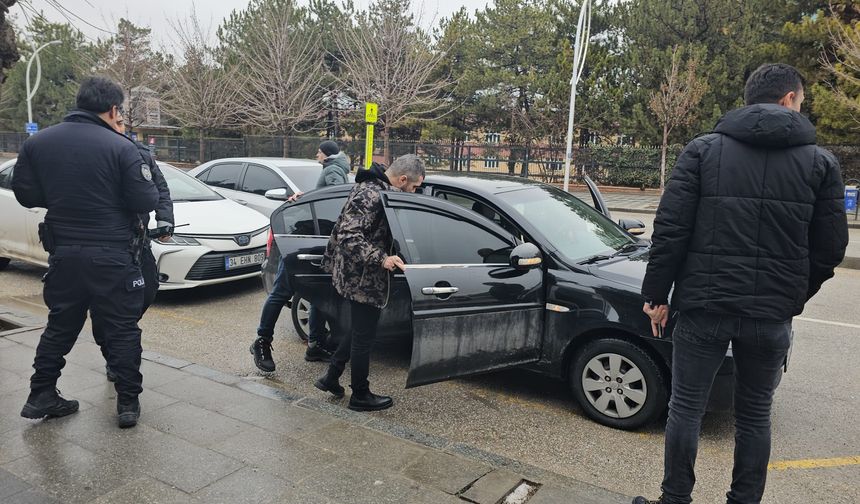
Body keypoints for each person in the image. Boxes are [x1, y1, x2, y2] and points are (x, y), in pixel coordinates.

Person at [634, 63, 848, 504]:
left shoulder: (702, 151)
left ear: (750, 98)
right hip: (770, 317)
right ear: (790, 98)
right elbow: (830, 249)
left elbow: (670, 229)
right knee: (754, 416)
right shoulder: (820, 163)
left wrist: (657, 296)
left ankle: (675, 499)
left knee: (686, 408)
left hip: (703, 309)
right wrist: (792, 293)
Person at [13, 76, 159, 428]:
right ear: (113, 110)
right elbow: (145, 199)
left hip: (64, 254)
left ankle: (41, 393)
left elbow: (27, 195)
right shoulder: (121, 147)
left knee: (60, 326)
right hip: (113, 256)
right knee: (122, 329)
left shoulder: (39, 142)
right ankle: (127, 403)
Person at [314, 154, 425, 412]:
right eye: (415, 186)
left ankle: (331, 377)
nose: (414, 191)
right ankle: (360, 395)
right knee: (364, 337)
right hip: (362, 276)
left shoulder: (379, 189)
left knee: (358, 329)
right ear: (403, 179)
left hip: (363, 274)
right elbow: (348, 235)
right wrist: (381, 259)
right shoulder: (371, 194)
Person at [250, 140, 350, 372]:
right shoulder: (338, 168)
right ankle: (262, 341)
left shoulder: (333, 169)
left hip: (320, 239)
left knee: (315, 295)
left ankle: (315, 345)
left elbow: (334, 199)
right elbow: (330, 198)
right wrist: (305, 199)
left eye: (318, 150)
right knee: (284, 292)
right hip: (310, 237)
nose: (316, 153)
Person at [93, 113, 174, 382]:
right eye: (114, 123)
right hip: (103, 243)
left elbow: (160, 188)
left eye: (121, 124)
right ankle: (114, 355)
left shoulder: (140, 153)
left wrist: (165, 220)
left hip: (138, 240)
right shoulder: (94, 153)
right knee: (105, 306)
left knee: (148, 290)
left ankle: (119, 335)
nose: (120, 128)